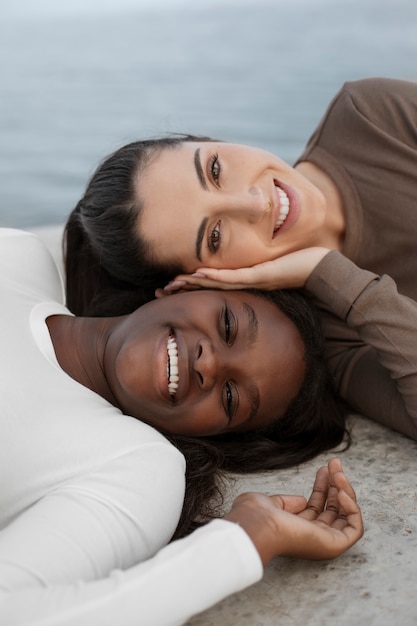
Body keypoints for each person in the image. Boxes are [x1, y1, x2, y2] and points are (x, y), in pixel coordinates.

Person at [0, 228, 363, 625]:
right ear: (184, 288)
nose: (208, 365)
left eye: (230, 398)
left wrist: (247, 538)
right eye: (227, 326)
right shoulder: (20, 258)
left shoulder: (135, 467)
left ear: (209, 434)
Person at [64, 76, 417, 440]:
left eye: (215, 170)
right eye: (215, 236)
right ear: (199, 282)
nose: (255, 203)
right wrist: (332, 275)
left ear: (208, 141)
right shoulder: (330, 336)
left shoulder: (370, 117)